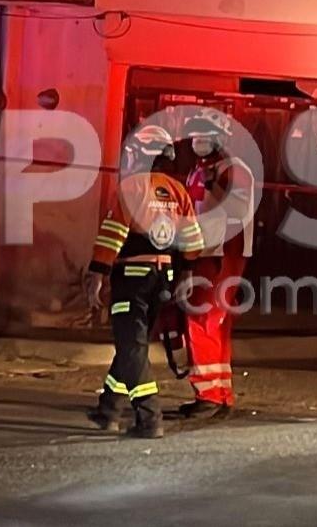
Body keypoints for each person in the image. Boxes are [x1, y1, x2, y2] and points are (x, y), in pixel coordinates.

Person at [84, 124, 204, 439]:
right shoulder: (178, 191)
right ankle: (108, 408)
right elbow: (192, 240)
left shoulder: (132, 187)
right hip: (162, 279)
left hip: (132, 280)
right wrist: (186, 276)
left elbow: (113, 235)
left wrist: (97, 273)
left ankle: (149, 416)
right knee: (131, 346)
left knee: (132, 346)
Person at [178, 110, 256, 420]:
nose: (198, 141)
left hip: (222, 253)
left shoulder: (234, 170)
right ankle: (220, 394)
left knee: (203, 320)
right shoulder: (200, 170)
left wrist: (214, 186)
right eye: (195, 135)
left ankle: (209, 395)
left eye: (204, 135)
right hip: (205, 251)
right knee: (215, 323)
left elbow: (237, 209)